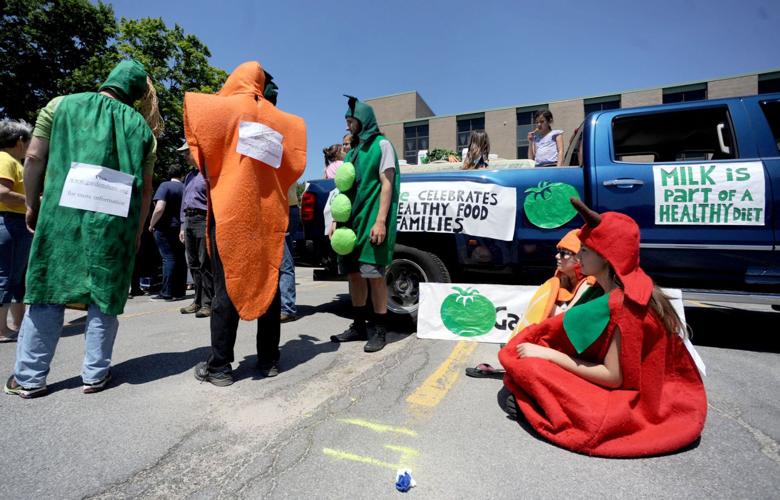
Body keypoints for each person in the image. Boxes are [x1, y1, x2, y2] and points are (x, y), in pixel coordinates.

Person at [498, 198, 707, 457]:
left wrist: (548, 354)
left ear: (606, 257)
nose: (578, 256)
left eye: (584, 250)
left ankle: (537, 404)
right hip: (655, 393)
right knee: (528, 359)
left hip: (636, 402)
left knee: (530, 367)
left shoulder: (623, 303)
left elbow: (613, 376)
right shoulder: (625, 286)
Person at [4, 59, 161, 398]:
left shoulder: (60, 105)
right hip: (116, 225)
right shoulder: (144, 132)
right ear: (135, 93)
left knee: (47, 289)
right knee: (105, 294)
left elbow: (33, 158)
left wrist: (32, 204)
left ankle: (29, 378)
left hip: (63, 215)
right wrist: (137, 233)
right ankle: (95, 374)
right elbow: (146, 190)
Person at [185, 62, 306, 386]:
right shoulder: (281, 122)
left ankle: (220, 368)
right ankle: (268, 362)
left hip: (231, 213)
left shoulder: (226, 109)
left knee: (226, 287)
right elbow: (294, 165)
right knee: (269, 285)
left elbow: (200, 144)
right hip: (268, 216)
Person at [466, 229, 599, 378]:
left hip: (573, 349)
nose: (557, 256)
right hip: (557, 338)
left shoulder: (588, 284)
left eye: (563, 253)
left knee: (517, 353)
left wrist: (546, 311)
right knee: (512, 347)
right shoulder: (562, 279)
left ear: (579, 258)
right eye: (558, 251)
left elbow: (567, 320)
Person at [329, 96, 400, 353]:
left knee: (374, 276)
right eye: (347, 122)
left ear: (363, 120)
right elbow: (345, 189)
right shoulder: (354, 150)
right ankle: (359, 326)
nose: (348, 126)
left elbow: (387, 183)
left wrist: (381, 221)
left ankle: (380, 330)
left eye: (351, 121)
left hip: (372, 218)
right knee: (354, 275)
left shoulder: (383, 145)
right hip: (352, 222)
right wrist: (337, 221)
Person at [0, 119, 33, 343]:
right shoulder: (5, 159)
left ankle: (18, 325)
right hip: (9, 222)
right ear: (20, 141)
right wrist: (32, 201)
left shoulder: (14, 161)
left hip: (17, 223)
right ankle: (1, 329)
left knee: (18, 277)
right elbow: (2, 192)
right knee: (6, 276)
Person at [178, 142, 212, 317]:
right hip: (190, 220)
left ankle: (208, 302)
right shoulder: (190, 176)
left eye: (186, 152)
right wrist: (183, 225)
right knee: (192, 263)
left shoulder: (208, 173)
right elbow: (184, 201)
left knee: (204, 262)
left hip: (202, 219)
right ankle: (197, 301)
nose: (184, 156)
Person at [149, 164, 187, 301]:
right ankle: (179, 291)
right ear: (182, 175)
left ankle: (167, 292)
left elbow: (159, 208)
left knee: (168, 257)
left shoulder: (165, 186)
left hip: (164, 227)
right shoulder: (185, 187)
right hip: (181, 227)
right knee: (180, 258)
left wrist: (151, 224)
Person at [279, 182, 299, 323]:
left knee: (284, 261)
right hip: (282, 207)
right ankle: (283, 306)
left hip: (284, 207)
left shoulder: (283, 159)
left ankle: (288, 308)